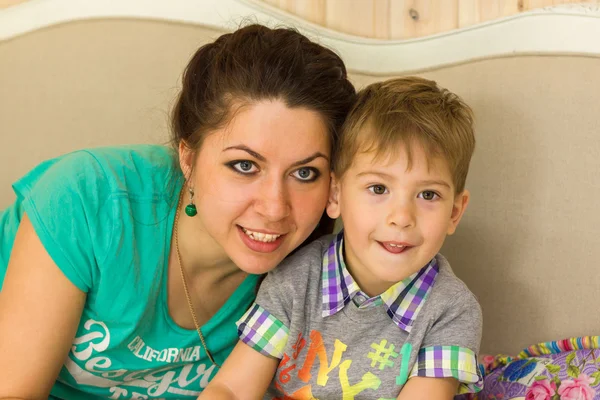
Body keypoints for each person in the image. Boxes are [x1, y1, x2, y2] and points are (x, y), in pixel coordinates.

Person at [0, 24, 356, 399]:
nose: (273, 208)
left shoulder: (317, 279)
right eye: (244, 166)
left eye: (304, 173)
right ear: (188, 158)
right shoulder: (88, 201)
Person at [199, 77, 484, 400]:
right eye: (378, 189)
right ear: (335, 195)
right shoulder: (295, 281)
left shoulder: (451, 311)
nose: (402, 217)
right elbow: (231, 390)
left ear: (455, 213)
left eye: (428, 194)